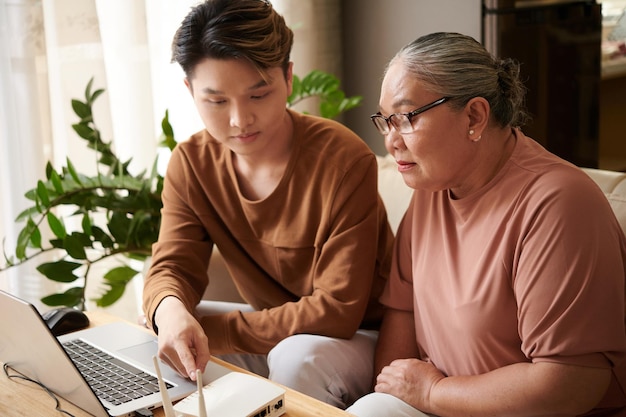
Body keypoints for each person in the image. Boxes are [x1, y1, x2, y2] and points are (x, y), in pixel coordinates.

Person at [347, 32, 626, 417]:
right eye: (385, 120)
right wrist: (393, 394)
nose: (391, 141)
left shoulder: (558, 204)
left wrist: (430, 393)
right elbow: (403, 310)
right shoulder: (432, 184)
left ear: (474, 116)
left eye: (406, 118)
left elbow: (570, 382)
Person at [141, 0, 394, 409]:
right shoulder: (191, 163)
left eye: (258, 94)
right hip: (275, 327)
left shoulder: (344, 161)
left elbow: (337, 311)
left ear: (289, 78)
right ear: (190, 91)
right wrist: (170, 313)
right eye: (217, 101)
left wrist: (213, 330)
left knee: (295, 358)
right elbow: (171, 266)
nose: (240, 120)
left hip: (360, 337)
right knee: (165, 334)